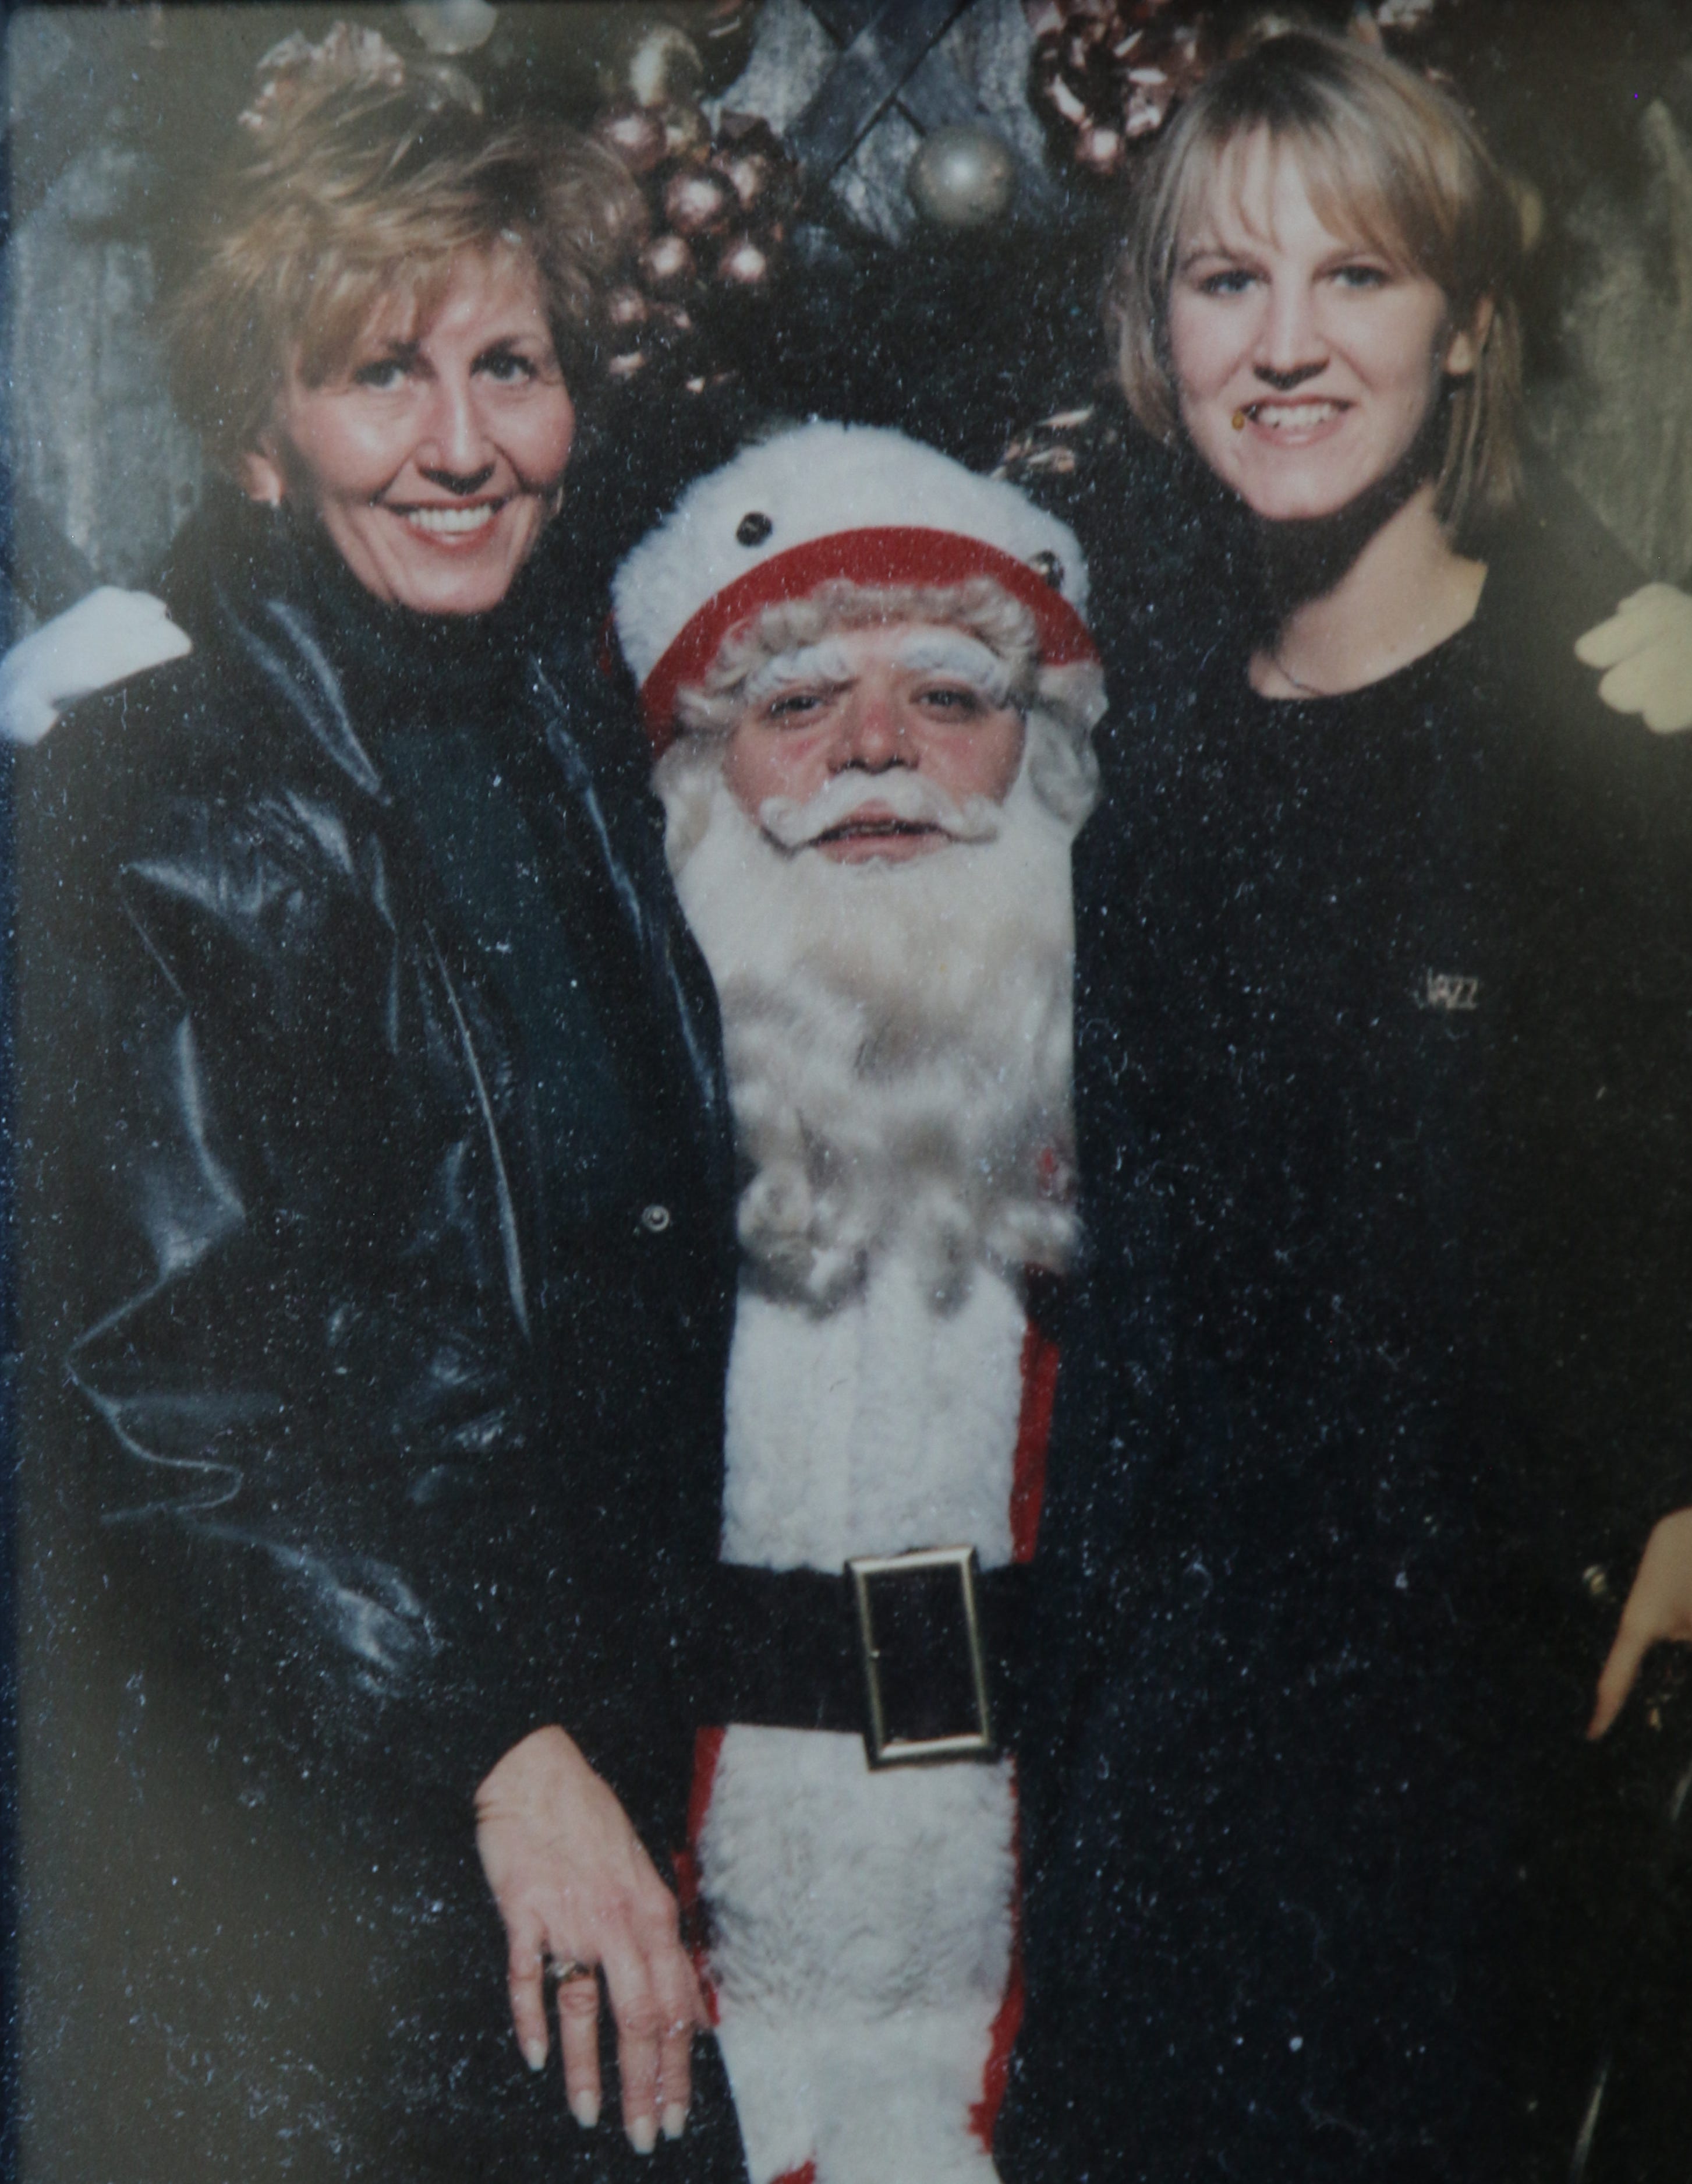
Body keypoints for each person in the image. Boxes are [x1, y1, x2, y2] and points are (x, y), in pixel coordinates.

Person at [13, 28, 746, 2179]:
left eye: (507, 368)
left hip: (567, 1770)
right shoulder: (155, 794)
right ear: (260, 433)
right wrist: (495, 1748)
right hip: (346, 1837)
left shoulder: (556, 722)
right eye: (376, 375)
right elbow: (175, 1389)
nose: (458, 446)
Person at [996, 29, 1692, 2184]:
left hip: (1482, 1822)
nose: (1284, 348)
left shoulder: (1622, 740)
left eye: (1359, 280)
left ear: (1467, 325)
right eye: (1224, 285)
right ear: (1155, 337)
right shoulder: (1119, 766)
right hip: (1149, 1807)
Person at [610, 420, 1103, 2184]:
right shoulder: (603, 1146)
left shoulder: (1142, 1101)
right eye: (801, 700)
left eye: (950, 699)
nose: (875, 753)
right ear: (700, 770)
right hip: (684, 2002)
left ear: (1040, 758)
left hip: (1060, 1992)